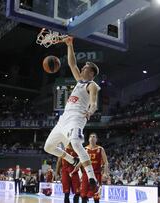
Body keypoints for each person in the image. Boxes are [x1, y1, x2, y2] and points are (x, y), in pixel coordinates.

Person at [43, 36, 101, 194]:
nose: (82, 69)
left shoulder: (92, 85)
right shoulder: (79, 82)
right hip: (63, 121)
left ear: (91, 73)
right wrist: (70, 44)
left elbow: (94, 102)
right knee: (48, 147)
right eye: (83, 68)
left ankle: (91, 179)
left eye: (85, 68)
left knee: (76, 143)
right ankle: (71, 159)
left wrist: (90, 111)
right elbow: (72, 63)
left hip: (77, 118)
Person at [72, 133, 109, 203]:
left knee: (96, 196)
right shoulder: (85, 149)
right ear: (88, 139)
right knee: (83, 194)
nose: (92, 138)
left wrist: (105, 173)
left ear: (96, 139)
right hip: (86, 174)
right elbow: (81, 161)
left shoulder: (100, 149)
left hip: (96, 174)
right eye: (90, 137)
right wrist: (76, 167)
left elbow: (106, 162)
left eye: (94, 137)